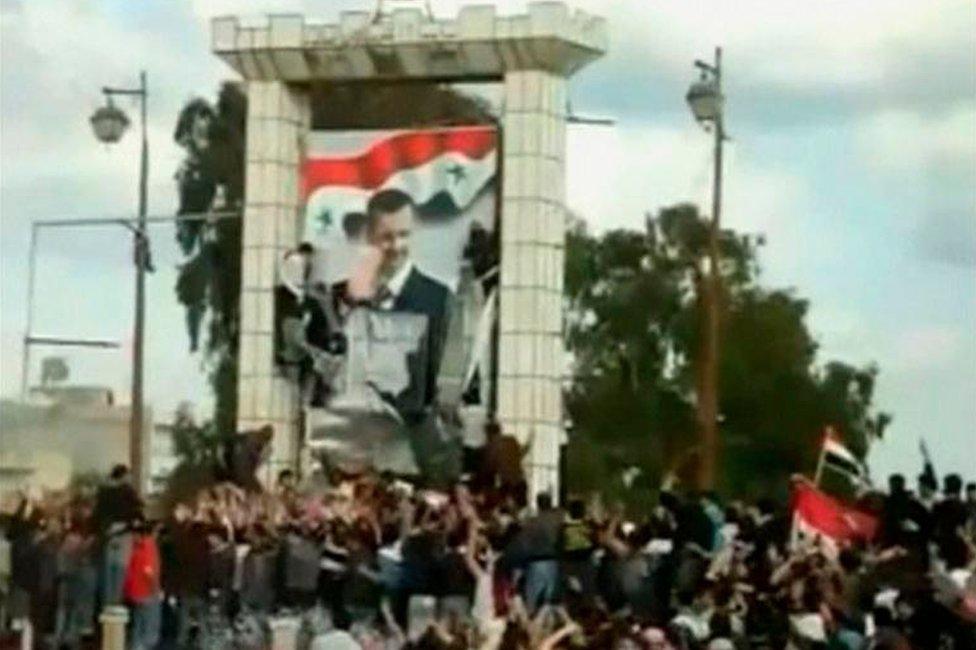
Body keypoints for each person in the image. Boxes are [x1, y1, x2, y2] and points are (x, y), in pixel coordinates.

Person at [92, 464, 142, 606]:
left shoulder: (103, 492)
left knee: (108, 574)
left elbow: (97, 516)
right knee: (120, 572)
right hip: (124, 533)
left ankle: (107, 607)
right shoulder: (127, 492)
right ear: (124, 476)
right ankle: (116, 608)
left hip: (107, 535)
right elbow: (137, 512)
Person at [123, 516, 162, 650]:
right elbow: (149, 571)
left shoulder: (135, 548)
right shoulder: (149, 547)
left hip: (134, 591)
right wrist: (155, 589)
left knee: (138, 621)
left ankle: (135, 645)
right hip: (146, 591)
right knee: (149, 622)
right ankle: (145, 646)